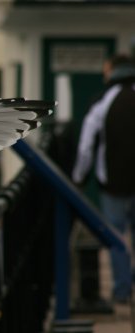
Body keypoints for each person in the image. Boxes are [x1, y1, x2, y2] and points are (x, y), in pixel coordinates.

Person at [72, 54, 135, 303]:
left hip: (113, 182)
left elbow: (87, 146)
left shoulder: (103, 102)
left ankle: (121, 291)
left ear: (112, 72)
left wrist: (78, 178)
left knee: (116, 237)